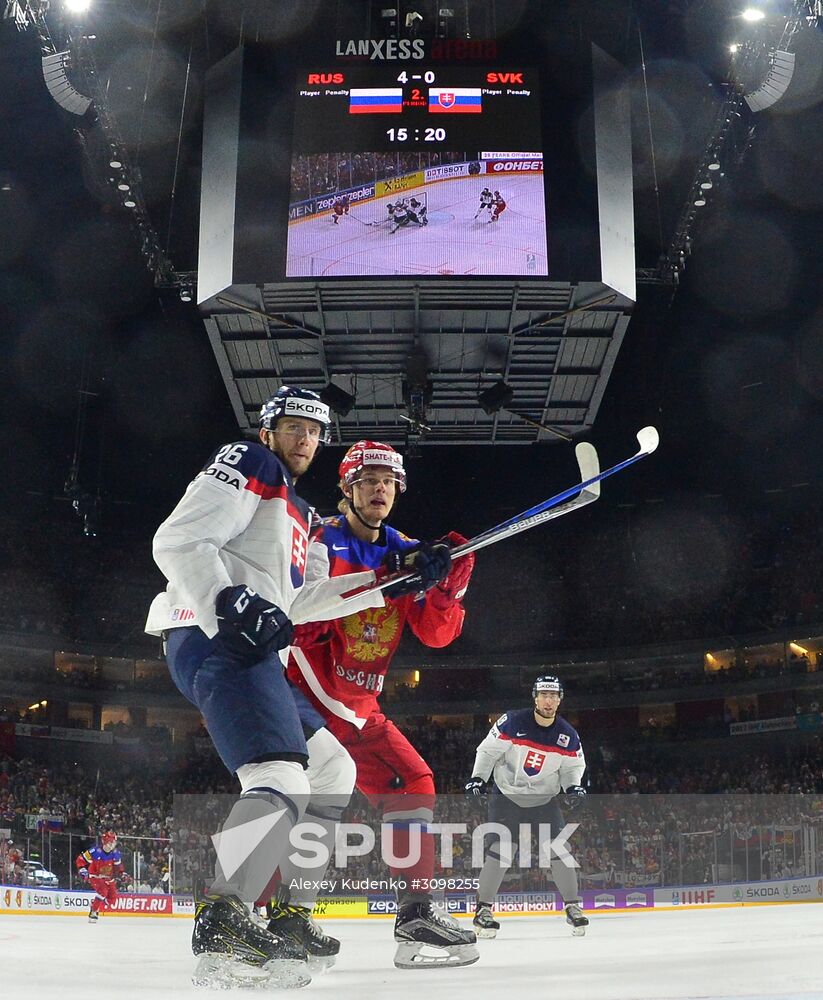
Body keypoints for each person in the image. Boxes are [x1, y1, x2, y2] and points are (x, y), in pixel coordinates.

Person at [145, 386, 386, 988]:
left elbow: (299, 602)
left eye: (315, 431)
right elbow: (177, 540)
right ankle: (224, 913)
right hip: (214, 635)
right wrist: (227, 598)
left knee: (332, 771)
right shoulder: (251, 462)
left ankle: (291, 917)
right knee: (279, 775)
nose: (306, 438)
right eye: (294, 426)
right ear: (267, 431)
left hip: (254, 650)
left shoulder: (301, 514)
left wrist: (393, 581)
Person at [286, 439, 479, 969]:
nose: (380, 489)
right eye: (369, 480)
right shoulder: (319, 538)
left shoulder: (408, 549)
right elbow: (303, 616)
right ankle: (272, 919)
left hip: (359, 709)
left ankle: (415, 917)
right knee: (300, 801)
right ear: (347, 488)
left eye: (389, 481)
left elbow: (436, 635)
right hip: (304, 697)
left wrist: (448, 585)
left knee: (413, 782)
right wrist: (388, 578)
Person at [465, 675, 589, 938]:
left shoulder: (568, 735)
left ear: (560, 700)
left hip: (544, 799)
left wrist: (573, 787)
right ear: (535, 698)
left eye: (553, 696)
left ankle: (572, 907)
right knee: (501, 850)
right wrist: (477, 779)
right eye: (544, 695)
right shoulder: (512, 721)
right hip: (507, 795)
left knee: (559, 849)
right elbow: (488, 751)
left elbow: (572, 768)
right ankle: (483, 910)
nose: (548, 700)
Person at [76, 830, 125, 922]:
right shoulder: (94, 851)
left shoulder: (116, 853)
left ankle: (94, 904)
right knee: (103, 891)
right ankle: (93, 912)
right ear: (104, 841)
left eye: (114, 843)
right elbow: (80, 859)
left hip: (108, 878)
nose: (112, 845)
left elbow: (118, 866)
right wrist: (82, 870)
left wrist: (122, 874)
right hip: (95, 877)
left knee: (112, 899)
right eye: (110, 842)